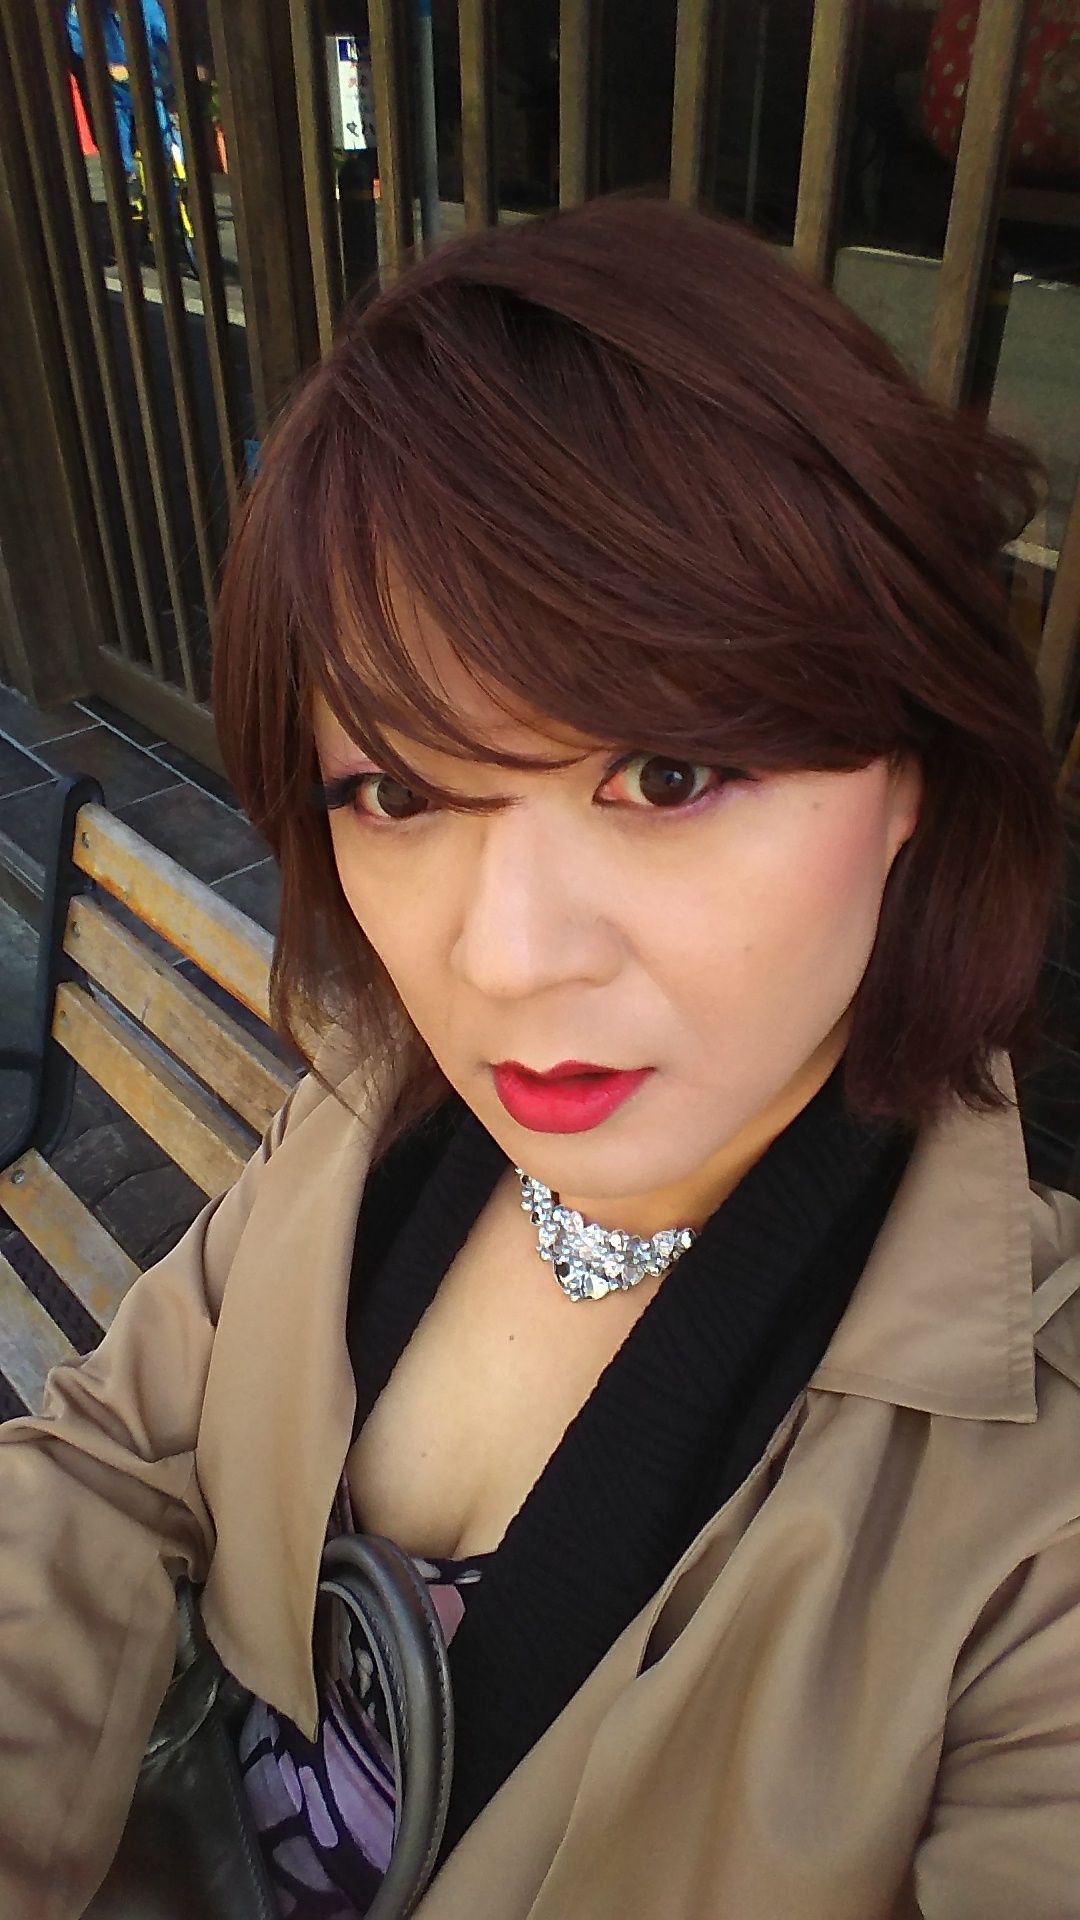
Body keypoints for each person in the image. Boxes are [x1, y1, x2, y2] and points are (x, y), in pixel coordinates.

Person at [1, 194, 1079, 1920]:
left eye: (665, 775)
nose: (503, 962)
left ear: (914, 778)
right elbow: (114, 1452)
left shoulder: (1031, 1522)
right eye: (399, 791)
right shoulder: (373, 1111)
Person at [65, 0, 178, 196]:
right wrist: (106, 65)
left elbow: (166, 40)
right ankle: (128, 181)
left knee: (162, 143)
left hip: (149, 83)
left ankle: (166, 184)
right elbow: (77, 40)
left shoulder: (146, 6)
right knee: (117, 143)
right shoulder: (85, 8)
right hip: (115, 88)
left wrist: (168, 76)